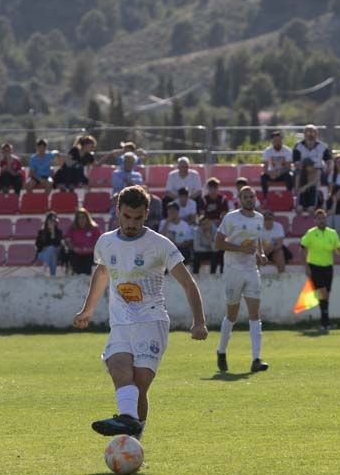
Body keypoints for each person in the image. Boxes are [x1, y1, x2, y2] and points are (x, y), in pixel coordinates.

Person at [72, 185, 208, 441]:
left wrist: (198, 322)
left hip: (151, 321)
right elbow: (102, 274)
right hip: (120, 323)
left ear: (146, 214)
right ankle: (129, 428)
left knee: (139, 386)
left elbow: (189, 283)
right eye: (126, 217)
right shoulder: (106, 242)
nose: (131, 223)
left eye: (137, 218)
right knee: (119, 370)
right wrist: (87, 310)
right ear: (118, 212)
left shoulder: (160, 245)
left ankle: (132, 435)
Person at [215, 186, 270, 373]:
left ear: (255, 198)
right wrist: (240, 249)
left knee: (255, 315)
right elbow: (219, 242)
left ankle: (256, 359)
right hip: (233, 270)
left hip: (251, 270)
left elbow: (258, 241)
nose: (248, 199)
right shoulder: (231, 218)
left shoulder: (259, 218)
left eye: (251, 196)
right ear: (239, 199)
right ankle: (221, 351)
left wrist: (261, 255)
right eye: (245, 197)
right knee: (232, 315)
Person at [299, 208, 340, 332]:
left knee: (326, 295)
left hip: (328, 267)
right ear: (315, 220)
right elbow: (302, 249)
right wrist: (306, 267)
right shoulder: (311, 233)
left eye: (323, 218)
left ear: (326, 219)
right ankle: (325, 323)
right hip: (314, 266)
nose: (321, 220)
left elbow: (338, 250)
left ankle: (325, 322)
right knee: (323, 293)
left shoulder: (332, 233)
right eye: (318, 218)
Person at [65, 209, 101, 275]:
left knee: (86, 270)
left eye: (83, 217)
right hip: (76, 252)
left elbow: (98, 240)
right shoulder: (72, 228)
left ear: (87, 218)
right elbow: (67, 240)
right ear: (76, 219)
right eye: (79, 218)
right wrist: (74, 248)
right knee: (71, 256)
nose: (81, 219)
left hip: (90, 253)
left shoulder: (94, 228)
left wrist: (92, 248)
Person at [260, 130, 294, 197]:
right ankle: (265, 198)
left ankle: (289, 196)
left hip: (283, 174)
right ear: (272, 141)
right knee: (263, 177)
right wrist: (270, 173)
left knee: (289, 176)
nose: (278, 143)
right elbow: (264, 168)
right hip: (272, 174)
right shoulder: (267, 151)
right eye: (275, 141)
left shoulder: (288, 151)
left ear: (282, 140)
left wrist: (279, 173)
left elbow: (288, 167)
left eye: (279, 140)